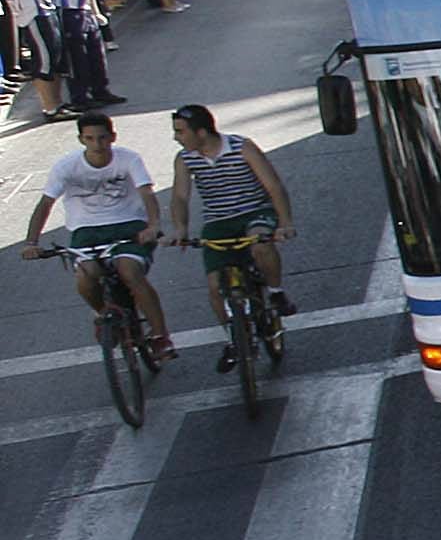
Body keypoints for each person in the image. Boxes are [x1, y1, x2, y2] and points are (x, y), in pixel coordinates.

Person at [21, 109, 176, 360]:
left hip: (129, 225)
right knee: (86, 277)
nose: (98, 144)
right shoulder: (66, 166)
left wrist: (153, 225)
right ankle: (104, 313)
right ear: (81, 139)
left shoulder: (128, 159)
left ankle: (161, 337)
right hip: (86, 231)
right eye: (90, 139)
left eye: (103, 138)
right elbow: (45, 204)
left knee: (130, 271)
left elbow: (146, 193)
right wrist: (31, 242)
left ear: (113, 137)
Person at [162, 103, 295, 360]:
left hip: (255, 212)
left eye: (180, 132)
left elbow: (273, 186)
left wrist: (285, 223)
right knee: (214, 286)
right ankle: (233, 337)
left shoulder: (241, 147)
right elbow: (179, 196)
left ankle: (276, 294)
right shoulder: (185, 158)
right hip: (218, 221)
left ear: (201, 133)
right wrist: (180, 228)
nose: (176, 138)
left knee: (261, 245)